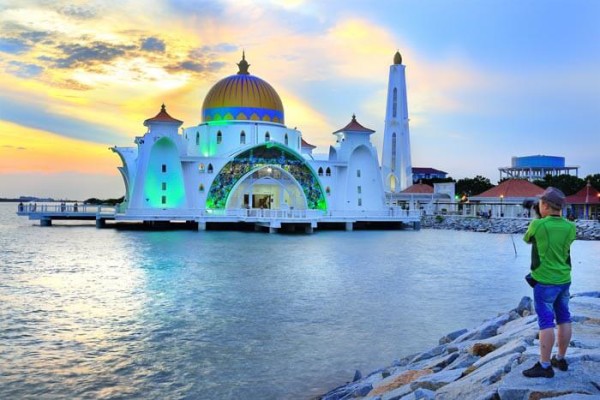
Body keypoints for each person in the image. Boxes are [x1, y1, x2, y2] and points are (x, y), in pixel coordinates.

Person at [522, 187, 576, 378]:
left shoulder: (538, 224)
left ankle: (544, 366)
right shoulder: (571, 227)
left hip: (544, 281)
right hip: (564, 280)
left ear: (544, 205)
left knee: (546, 322)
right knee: (564, 318)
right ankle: (560, 358)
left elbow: (528, 239)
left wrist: (537, 218)